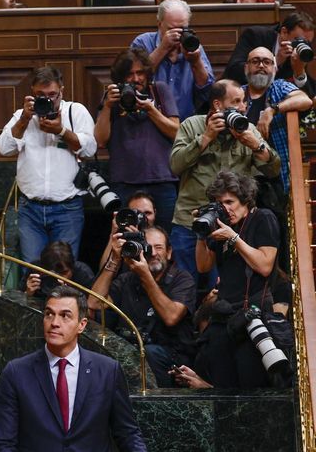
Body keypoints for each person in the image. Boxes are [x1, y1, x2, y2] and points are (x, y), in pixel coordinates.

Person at [0, 285, 147, 451]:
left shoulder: (107, 370)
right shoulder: (16, 372)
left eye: (65, 316)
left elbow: (127, 433)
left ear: (82, 325)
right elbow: (3, 442)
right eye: (49, 314)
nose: (54, 323)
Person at [169, 80, 280, 294]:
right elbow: (175, 165)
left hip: (231, 226)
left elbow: (273, 169)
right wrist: (206, 138)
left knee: (221, 287)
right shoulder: (192, 125)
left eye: (244, 101)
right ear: (218, 105)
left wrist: (256, 145)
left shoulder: (248, 130)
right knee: (184, 287)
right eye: (236, 101)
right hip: (190, 221)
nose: (242, 107)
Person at [0, 66, 96, 266]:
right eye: (41, 95)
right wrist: (25, 119)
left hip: (67, 208)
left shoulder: (75, 111)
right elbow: (4, 148)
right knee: (32, 269)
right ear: (32, 93)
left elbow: (89, 150)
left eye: (52, 95)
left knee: (63, 271)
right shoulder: (22, 116)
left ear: (62, 91)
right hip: (30, 209)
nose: (48, 100)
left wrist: (61, 131)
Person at [195, 170, 280, 388]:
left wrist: (234, 238)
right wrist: (201, 234)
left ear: (245, 199)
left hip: (253, 314)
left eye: (229, 202)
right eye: (219, 204)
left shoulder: (262, 218)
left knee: (250, 384)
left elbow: (264, 265)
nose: (226, 209)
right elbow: (203, 266)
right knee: (223, 384)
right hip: (224, 315)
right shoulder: (222, 226)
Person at [89, 227, 197, 388]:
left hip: (170, 357)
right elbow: (94, 303)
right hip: (131, 351)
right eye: (147, 247)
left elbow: (171, 317)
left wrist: (145, 275)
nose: (153, 253)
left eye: (159, 247)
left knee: (150, 352)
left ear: (169, 252)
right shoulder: (127, 279)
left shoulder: (182, 279)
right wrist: (115, 259)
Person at [95, 47, 180, 232]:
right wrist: (108, 106)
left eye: (140, 73)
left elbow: (176, 132)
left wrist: (151, 110)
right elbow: (100, 140)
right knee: (127, 236)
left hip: (162, 180)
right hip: (125, 182)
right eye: (130, 74)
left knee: (166, 236)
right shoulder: (112, 98)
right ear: (120, 78)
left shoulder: (159, 90)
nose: (136, 79)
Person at [242, 47, 312, 193]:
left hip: (277, 180)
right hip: (242, 176)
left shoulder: (279, 87)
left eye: (266, 62)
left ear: (274, 68)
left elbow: (305, 100)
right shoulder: (238, 94)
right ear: (246, 67)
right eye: (255, 61)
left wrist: (272, 109)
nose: (261, 65)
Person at [132, 0, 215, 121]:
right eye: (171, 29)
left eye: (182, 29)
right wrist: (163, 48)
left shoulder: (193, 46)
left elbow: (207, 90)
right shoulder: (142, 42)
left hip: (186, 122)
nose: (177, 34)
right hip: (149, 121)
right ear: (159, 24)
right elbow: (136, 79)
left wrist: (196, 62)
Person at [224, 11, 316, 97]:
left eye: (307, 43)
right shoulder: (255, 35)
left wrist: (299, 72)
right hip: (241, 95)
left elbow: (308, 94)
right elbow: (233, 71)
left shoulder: (301, 52)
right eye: (299, 40)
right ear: (284, 32)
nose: (302, 45)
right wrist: (275, 61)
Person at [25, 242, 95, 297]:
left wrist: (69, 295)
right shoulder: (36, 269)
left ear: (72, 267)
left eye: (63, 273)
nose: (57, 278)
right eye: (52, 274)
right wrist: (27, 293)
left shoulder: (83, 274)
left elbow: (91, 311)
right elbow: (17, 308)